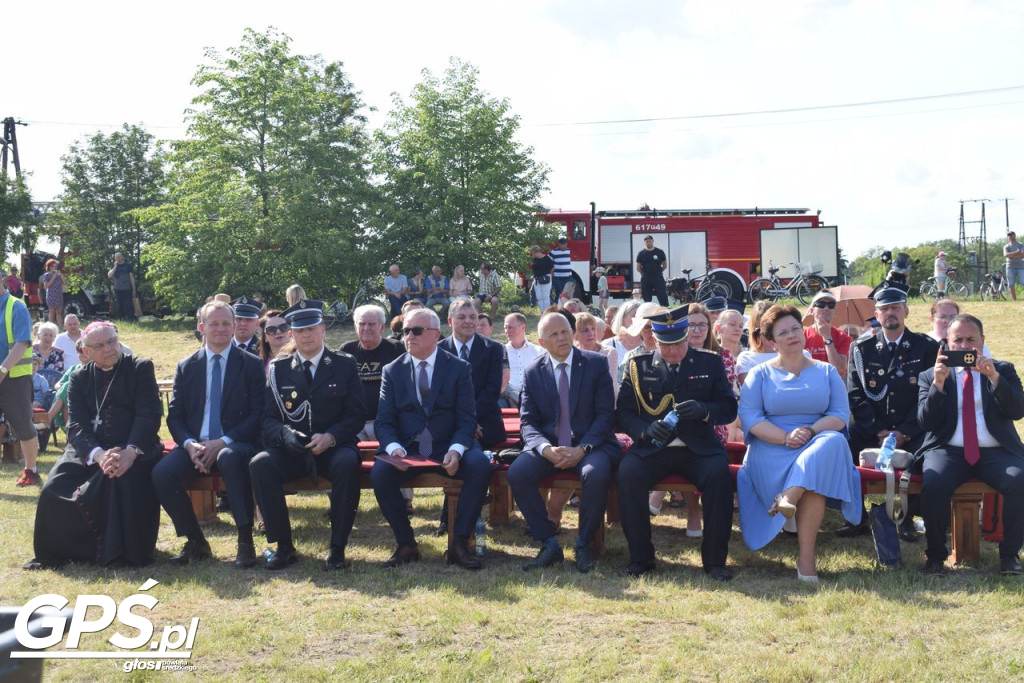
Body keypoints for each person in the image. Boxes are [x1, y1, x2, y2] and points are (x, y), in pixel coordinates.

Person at [737, 305, 860, 583]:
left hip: (818, 441)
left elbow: (840, 415)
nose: (792, 335)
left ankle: (790, 499)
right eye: (783, 332)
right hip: (771, 450)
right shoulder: (759, 374)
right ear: (771, 341)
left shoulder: (827, 372)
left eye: (795, 328)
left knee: (832, 443)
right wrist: (784, 437)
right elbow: (750, 418)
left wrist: (810, 430)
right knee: (816, 477)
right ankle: (806, 560)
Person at [25, 322, 162, 568]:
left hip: (135, 447)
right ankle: (58, 553)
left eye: (111, 341)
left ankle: (121, 554)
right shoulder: (79, 376)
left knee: (118, 480)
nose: (109, 348)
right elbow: (76, 424)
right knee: (53, 487)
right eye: (99, 345)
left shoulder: (140, 367)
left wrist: (130, 452)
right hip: (89, 449)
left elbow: (148, 416)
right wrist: (97, 455)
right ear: (86, 352)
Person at [615, 306, 738, 580]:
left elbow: (729, 408)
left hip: (699, 448)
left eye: (679, 345)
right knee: (628, 475)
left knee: (719, 478)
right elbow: (623, 414)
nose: (674, 352)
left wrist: (704, 410)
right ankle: (641, 559)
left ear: (687, 338)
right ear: (655, 342)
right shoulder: (638, 366)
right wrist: (645, 430)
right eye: (666, 346)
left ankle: (715, 562)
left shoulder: (710, 362)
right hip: (653, 447)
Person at [370, 307, 493, 570]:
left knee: (480, 465)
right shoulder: (393, 370)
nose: (408, 336)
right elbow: (384, 421)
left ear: (436, 334)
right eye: (405, 331)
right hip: (408, 447)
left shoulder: (459, 368)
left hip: (447, 443)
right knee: (380, 473)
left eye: (416, 331)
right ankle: (406, 543)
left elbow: (467, 419)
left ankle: (458, 542)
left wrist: (457, 449)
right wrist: (393, 448)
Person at [249, 300, 367, 571]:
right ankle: (284, 546)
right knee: (260, 464)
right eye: (300, 330)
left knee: (348, 464)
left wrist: (331, 437)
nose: (306, 335)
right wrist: (284, 433)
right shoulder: (278, 370)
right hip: (292, 449)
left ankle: (337, 548)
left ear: (323, 329)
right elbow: (267, 418)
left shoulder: (344, 364)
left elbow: (356, 415)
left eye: (312, 328)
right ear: (291, 334)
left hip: (334, 447)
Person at [152, 301, 266, 569]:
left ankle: (245, 540)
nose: (221, 328)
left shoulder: (250, 364)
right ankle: (195, 540)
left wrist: (224, 441)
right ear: (201, 327)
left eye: (227, 323)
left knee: (229, 457)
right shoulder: (186, 366)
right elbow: (175, 416)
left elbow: (258, 413)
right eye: (214, 323)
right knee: (162, 474)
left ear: (234, 326)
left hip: (236, 442)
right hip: (196, 445)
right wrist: (190, 444)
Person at [509, 312, 621, 572]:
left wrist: (583, 449)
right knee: (518, 472)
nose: (562, 337)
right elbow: (527, 422)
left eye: (566, 331)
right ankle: (548, 543)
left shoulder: (595, 364)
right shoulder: (533, 371)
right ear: (542, 341)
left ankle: (583, 544)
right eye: (555, 334)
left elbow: (606, 416)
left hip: (592, 444)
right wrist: (545, 449)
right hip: (551, 447)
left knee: (595, 474)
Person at [917, 314, 1024, 576]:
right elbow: (925, 422)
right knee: (934, 482)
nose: (964, 346)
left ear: (982, 340)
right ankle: (935, 558)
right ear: (947, 343)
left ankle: (1010, 556)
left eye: (971, 340)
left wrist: (994, 378)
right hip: (948, 450)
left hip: (995, 450)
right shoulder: (930, 375)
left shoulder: (1004, 369)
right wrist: (938, 385)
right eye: (958, 340)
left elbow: (1018, 410)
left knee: (1020, 478)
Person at [843, 287, 939, 539]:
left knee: (927, 451)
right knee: (845, 447)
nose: (890, 313)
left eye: (896, 307)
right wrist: (879, 431)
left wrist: (902, 433)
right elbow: (855, 394)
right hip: (870, 428)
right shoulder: (861, 349)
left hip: (912, 427)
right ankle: (857, 518)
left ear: (906, 311)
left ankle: (909, 518)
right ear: (876, 314)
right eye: (884, 309)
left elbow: (928, 397)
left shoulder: (926, 347)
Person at [439, 298, 505, 448]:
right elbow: (439, 393)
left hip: (484, 423)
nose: (468, 321)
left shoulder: (493, 349)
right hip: (448, 423)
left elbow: (492, 390)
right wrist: (462, 422)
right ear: (450, 321)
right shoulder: (438, 351)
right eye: (461, 317)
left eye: (473, 317)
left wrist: (469, 420)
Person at [340, 305, 404, 441]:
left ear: (382, 327)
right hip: (354, 422)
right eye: (362, 324)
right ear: (355, 327)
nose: (366, 328)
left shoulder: (395, 348)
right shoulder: (346, 349)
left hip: (386, 422)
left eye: (371, 324)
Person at [1, 276, 42, 486]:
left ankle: (31, 471)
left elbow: (22, 343)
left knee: (22, 426)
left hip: (14, 378)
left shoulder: (16, 306)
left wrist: (2, 370)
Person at [803, 290, 852, 379]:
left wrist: (827, 337)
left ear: (835, 312)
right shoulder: (802, 336)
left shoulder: (844, 338)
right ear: (811, 311)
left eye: (831, 305)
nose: (826, 308)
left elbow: (839, 370)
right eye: (821, 304)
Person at [501, 312, 542, 409]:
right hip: (507, 397)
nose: (507, 331)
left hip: (533, 396)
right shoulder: (500, 352)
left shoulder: (539, 351)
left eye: (511, 327)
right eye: (505, 328)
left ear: (522, 327)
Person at [926, 298, 992, 356]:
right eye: (942, 317)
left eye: (953, 316)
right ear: (932, 320)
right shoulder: (924, 343)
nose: (948, 321)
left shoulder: (975, 344)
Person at [574, 312, 617, 396]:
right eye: (585, 330)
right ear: (576, 334)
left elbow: (611, 387)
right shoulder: (573, 354)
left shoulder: (609, 352)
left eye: (593, 328)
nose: (591, 334)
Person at [602, 300, 644, 380]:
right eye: (634, 316)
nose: (638, 320)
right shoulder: (607, 345)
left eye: (641, 317)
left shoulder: (649, 346)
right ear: (622, 318)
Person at [635, 234, 668, 306]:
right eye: (647, 241)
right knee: (646, 298)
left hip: (658, 277)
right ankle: (648, 312)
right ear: (644, 242)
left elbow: (665, 265)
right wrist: (643, 273)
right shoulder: (641, 253)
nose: (648, 243)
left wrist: (659, 271)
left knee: (662, 296)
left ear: (653, 241)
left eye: (650, 241)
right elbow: (638, 268)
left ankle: (666, 313)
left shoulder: (659, 252)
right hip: (646, 278)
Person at [107, 251, 137, 321]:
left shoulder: (128, 265)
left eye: (119, 256)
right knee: (119, 305)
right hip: (118, 289)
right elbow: (109, 276)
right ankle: (121, 319)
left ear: (122, 257)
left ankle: (131, 318)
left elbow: (132, 277)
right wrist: (115, 266)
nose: (117, 258)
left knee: (129, 304)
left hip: (127, 288)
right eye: (116, 257)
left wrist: (134, 289)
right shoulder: (113, 266)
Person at [39, 259, 64, 327]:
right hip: (51, 295)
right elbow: (46, 286)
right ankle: (51, 328)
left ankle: (60, 327)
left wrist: (61, 276)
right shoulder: (46, 275)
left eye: (56, 266)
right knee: (52, 312)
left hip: (59, 295)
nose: (54, 268)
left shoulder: (59, 274)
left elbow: (64, 283)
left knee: (59, 312)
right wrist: (54, 276)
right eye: (53, 266)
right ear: (49, 267)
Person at [549, 237, 572, 301]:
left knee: (568, 292)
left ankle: (566, 306)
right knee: (559, 292)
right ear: (559, 245)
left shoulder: (569, 251)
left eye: (565, 245)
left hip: (568, 276)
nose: (564, 246)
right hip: (558, 277)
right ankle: (557, 306)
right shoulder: (554, 252)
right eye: (562, 245)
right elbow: (547, 260)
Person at [1005, 231, 1024, 302]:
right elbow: (1006, 255)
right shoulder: (1006, 246)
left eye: (1011, 235)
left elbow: (1022, 254)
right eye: (1009, 235)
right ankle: (1014, 300)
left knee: (1023, 282)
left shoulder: (1021, 245)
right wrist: (1017, 252)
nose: (1010, 236)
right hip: (1010, 267)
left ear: (1015, 235)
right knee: (1011, 284)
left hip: (1021, 266)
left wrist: (1012, 256)